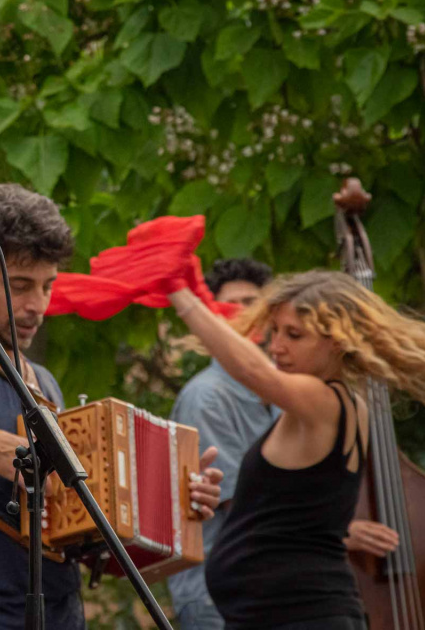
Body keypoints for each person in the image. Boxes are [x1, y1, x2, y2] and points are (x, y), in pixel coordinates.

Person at [0, 184, 223, 629]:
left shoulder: (43, 382)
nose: (37, 306)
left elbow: (75, 532)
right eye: (21, 286)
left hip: (62, 614)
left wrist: (176, 502)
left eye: (48, 287)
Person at [165, 270, 425, 630]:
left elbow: (253, 371)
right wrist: (210, 493)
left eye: (294, 335)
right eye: (274, 331)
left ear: (337, 342)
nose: (276, 346)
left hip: (300, 615)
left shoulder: (324, 401)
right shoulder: (328, 407)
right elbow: (290, 514)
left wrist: (179, 293)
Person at [168, 259, 279, 629]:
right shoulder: (207, 396)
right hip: (217, 598)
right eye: (232, 304)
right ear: (209, 318)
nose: (245, 313)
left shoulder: (279, 391)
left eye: (254, 302)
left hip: (267, 592)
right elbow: (247, 503)